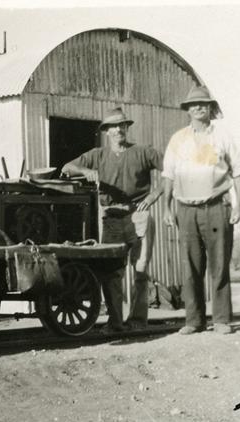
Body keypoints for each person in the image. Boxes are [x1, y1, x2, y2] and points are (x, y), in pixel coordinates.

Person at [62, 107, 163, 333]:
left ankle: (138, 321)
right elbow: (67, 168)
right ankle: (115, 323)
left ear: (127, 127)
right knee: (111, 273)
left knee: (140, 270)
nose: (118, 130)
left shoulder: (143, 152)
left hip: (139, 214)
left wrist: (154, 196)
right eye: (113, 127)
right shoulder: (98, 155)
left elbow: (172, 170)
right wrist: (85, 171)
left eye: (121, 125)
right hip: (111, 218)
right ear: (106, 131)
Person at [161, 86, 240, 335]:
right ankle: (194, 321)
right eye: (193, 105)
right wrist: (166, 208)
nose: (198, 107)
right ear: (187, 110)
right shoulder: (178, 139)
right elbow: (169, 175)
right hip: (186, 209)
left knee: (219, 264)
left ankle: (221, 320)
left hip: (217, 206)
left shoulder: (223, 136)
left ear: (210, 107)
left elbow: (238, 172)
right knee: (191, 266)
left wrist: (239, 205)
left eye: (203, 104)